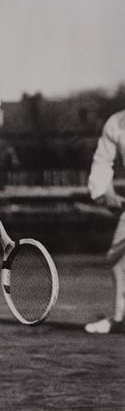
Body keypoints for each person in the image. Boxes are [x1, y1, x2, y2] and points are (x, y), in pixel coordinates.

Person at [85, 110, 125, 334]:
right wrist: (106, 191)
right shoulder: (117, 123)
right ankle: (121, 319)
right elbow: (102, 161)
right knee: (118, 259)